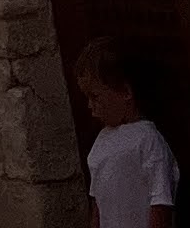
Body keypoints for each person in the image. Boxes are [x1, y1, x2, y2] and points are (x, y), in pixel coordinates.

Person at [74, 37, 179, 228]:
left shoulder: (148, 140)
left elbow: (161, 202)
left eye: (95, 96)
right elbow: (98, 203)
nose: (91, 106)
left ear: (125, 91)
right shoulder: (102, 141)